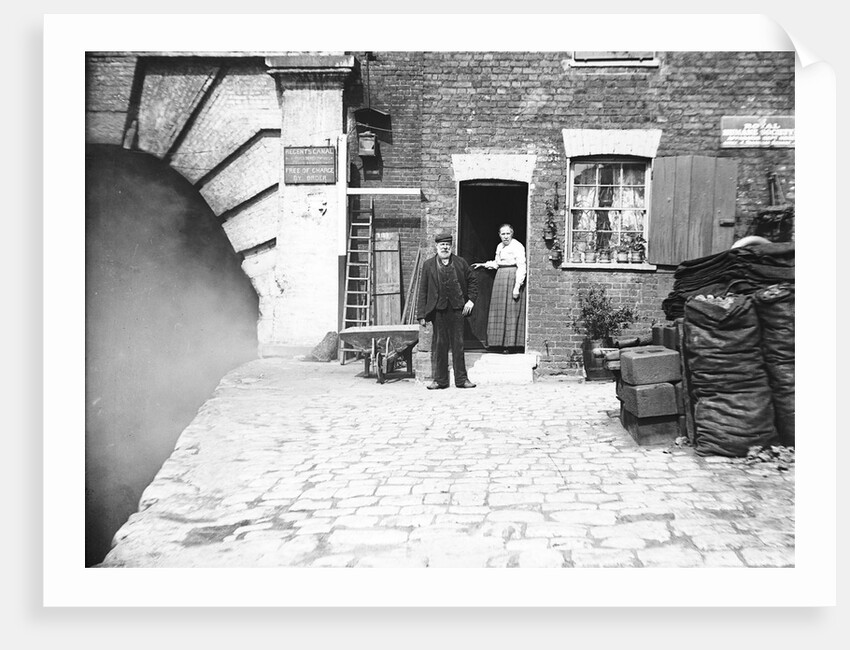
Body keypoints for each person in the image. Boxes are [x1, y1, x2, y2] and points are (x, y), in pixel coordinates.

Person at [416, 232, 479, 389]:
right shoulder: (428, 265)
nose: (445, 247)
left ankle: (461, 380)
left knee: (458, 344)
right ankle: (440, 380)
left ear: (451, 247)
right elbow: (423, 290)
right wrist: (421, 314)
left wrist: (471, 300)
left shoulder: (460, 263)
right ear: (436, 246)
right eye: (442, 245)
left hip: (458, 310)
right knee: (440, 344)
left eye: (447, 245)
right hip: (439, 310)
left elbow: (473, 281)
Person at [473, 224, 526, 352]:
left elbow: (522, 266)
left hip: (512, 276)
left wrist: (516, 287)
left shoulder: (517, 246)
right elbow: (497, 263)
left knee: (511, 310)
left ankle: (511, 345)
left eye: (508, 233)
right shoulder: (500, 246)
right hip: (500, 277)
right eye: (503, 234)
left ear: (512, 234)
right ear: (499, 235)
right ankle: (497, 344)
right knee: (499, 309)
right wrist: (483, 265)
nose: (505, 236)